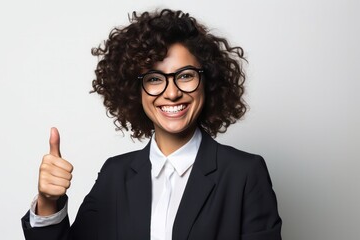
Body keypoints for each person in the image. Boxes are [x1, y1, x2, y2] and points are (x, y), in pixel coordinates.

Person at [21, 9, 282, 240]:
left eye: (186, 75)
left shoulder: (244, 174)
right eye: (155, 79)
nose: (171, 93)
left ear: (208, 82)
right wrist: (47, 202)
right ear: (136, 91)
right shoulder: (115, 174)